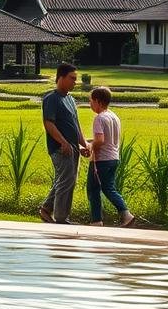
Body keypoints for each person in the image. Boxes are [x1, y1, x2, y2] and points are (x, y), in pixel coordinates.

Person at [39, 63, 89, 224]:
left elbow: (76, 124)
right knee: (66, 179)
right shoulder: (51, 99)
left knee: (68, 179)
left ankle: (46, 209)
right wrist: (63, 142)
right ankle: (61, 218)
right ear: (60, 78)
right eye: (72, 78)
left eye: (76, 79)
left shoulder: (70, 99)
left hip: (73, 147)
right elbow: (49, 124)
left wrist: (83, 144)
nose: (75, 82)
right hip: (60, 148)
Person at [85, 86, 134, 227]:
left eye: (91, 101)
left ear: (98, 101)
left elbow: (100, 140)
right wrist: (89, 142)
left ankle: (98, 220)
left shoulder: (99, 118)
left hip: (102, 159)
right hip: (114, 157)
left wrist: (90, 147)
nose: (90, 104)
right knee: (108, 187)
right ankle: (123, 215)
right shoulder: (113, 116)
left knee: (93, 189)